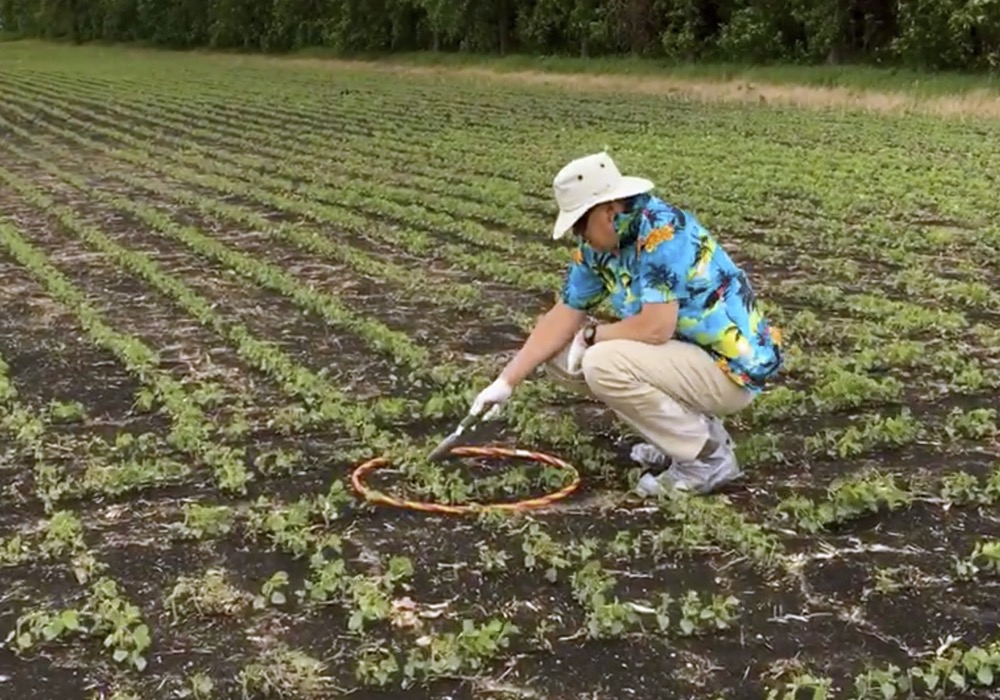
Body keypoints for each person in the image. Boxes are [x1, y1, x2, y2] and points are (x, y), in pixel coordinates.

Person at [468, 151, 783, 497]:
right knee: (559, 357)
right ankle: (682, 438)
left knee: (603, 362)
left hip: (729, 369)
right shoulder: (600, 248)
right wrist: (505, 382)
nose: (578, 235)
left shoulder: (663, 232)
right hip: (685, 358)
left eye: (579, 224)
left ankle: (708, 460)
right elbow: (564, 313)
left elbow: (655, 328)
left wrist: (592, 335)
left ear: (607, 211)